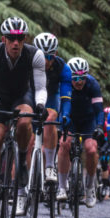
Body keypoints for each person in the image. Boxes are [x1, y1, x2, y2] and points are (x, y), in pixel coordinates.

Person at [0, 17, 47, 215]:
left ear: (25, 39)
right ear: (4, 39)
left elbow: (41, 87)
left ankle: (21, 159)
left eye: (20, 38)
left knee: (25, 121)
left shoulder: (35, 55)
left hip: (21, 96)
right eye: (11, 38)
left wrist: (41, 104)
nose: (16, 42)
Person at [57, 57, 104, 208]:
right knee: (64, 144)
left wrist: (99, 126)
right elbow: (60, 106)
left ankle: (90, 187)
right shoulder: (64, 83)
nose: (79, 81)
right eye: (75, 78)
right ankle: (62, 187)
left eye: (82, 77)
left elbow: (99, 110)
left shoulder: (92, 84)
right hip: (69, 119)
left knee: (91, 149)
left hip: (87, 121)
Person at [31, 33, 72, 184]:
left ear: (55, 54)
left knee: (50, 118)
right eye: (43, 57)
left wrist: (66, 115)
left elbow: (66, 98)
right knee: (27, 140)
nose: (47, 61)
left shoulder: (63, 68)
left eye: (50, 57)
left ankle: (49, 166)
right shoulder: (28, 62)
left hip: (52, 96)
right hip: (32, 94)